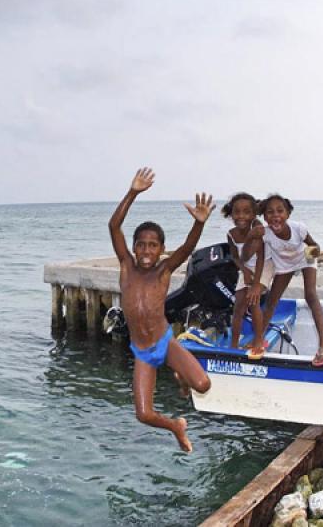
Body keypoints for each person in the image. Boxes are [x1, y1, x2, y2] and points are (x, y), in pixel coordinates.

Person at [108, 167, 213, 452]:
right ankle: (176, 427)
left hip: (165, 342)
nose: (145, 250)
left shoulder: (164, 270)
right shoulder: (127, 268)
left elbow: (188, 247)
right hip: (142, 352)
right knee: (144, 414)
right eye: (140, 245)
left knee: (203, 385)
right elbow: (113, 226)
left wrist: (199, 223)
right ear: (133, 247)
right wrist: (133, 193)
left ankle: (178, 372)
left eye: (153, 246)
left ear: (161, 249)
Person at [259, 194, 323, 366]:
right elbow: (256, 254)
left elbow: (315, 246)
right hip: (284, 264)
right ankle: (259, 339)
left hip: (305, 259)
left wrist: (312, 254)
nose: (275, 215)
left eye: (280, 211)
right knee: (271, 301)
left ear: (288, 214)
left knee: (310, 295)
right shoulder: (265, 234)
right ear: (264, 217)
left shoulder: (299, 228)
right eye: (270, 212)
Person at [222, 193, 274, 357]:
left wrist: (256, 284)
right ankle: (234, 345)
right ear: (231, 214)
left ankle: (259, 340)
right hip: (246, 267)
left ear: (253, 214)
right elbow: (235, 257)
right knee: (238, 306)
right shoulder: (231, 234)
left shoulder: (257, 228)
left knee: (253, 300)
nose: (241, 216)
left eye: (246, 212)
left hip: (264, 264)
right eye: (237, 212)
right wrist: (244, 271)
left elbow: (260, 257)